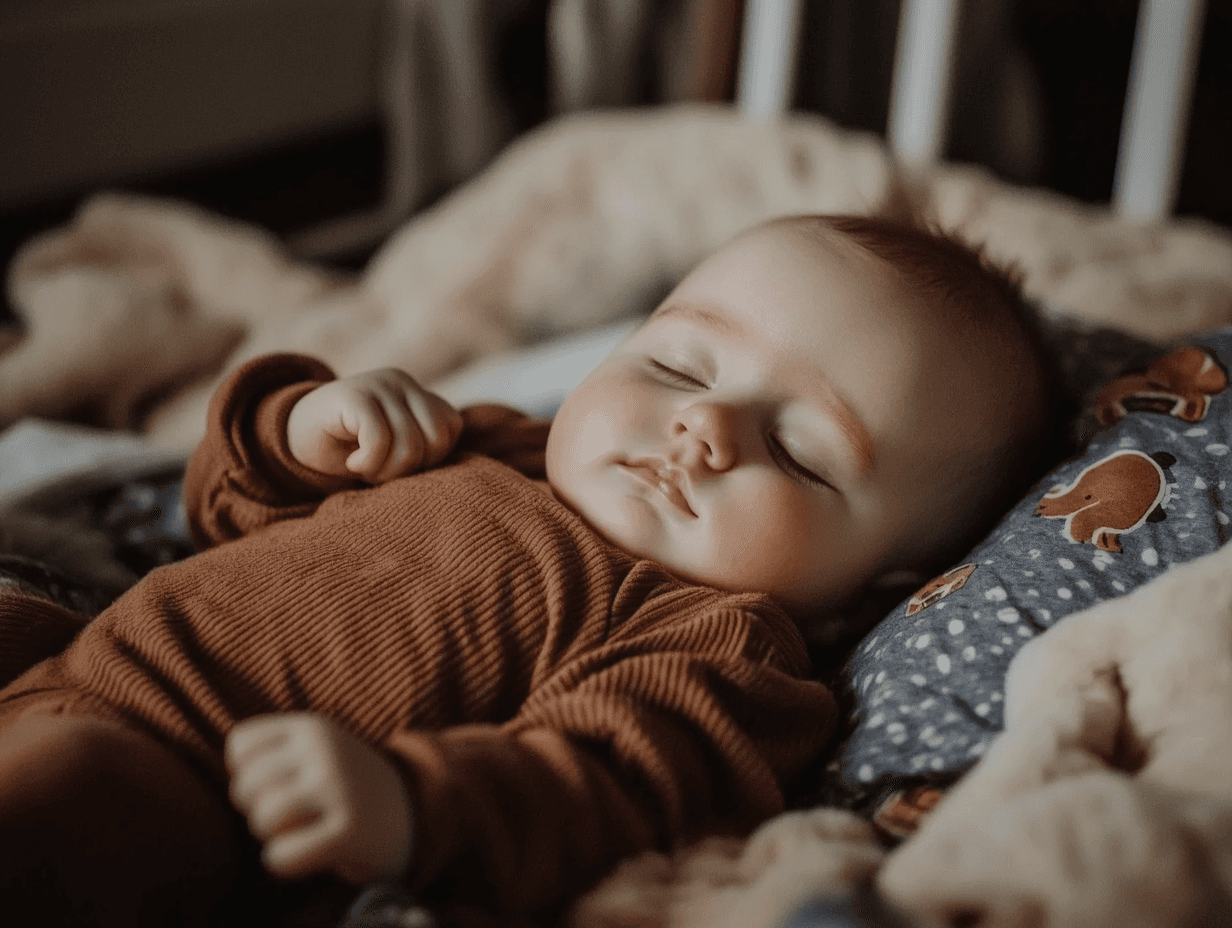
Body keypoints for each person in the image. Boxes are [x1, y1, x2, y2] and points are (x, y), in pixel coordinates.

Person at [0, 214, 1061, 928]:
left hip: (179, 779)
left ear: (877, 590)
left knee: (59, 812)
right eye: (677, 364)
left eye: (796, 452)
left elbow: (604, 784)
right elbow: (227, 510)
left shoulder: (717, 643)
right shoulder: (489, 439)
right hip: (73, 648)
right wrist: (303, 429)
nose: (702, 424)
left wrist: (412, 805)